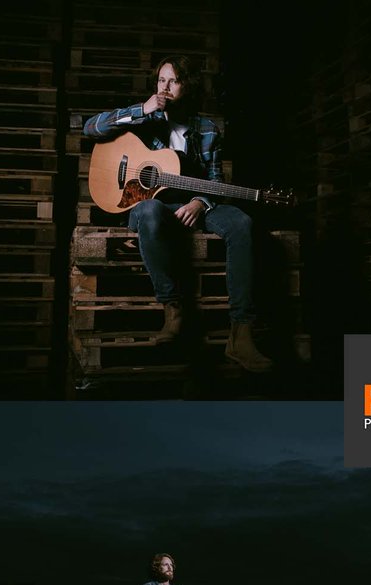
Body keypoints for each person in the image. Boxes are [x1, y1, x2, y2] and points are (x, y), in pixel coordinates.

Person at [83, 55, 272, 372]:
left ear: (189, 86)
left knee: (241, 222)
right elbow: (91, 128)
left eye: (173, 81)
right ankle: (174, 310)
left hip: (193, 203)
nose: (165, 87)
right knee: (150, 210)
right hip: (149, 203)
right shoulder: (145, 119)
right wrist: (141, 109)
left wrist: (200, 202)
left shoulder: (207, 130)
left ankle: (241, 334)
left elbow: (215, 180)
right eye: (161, 80)